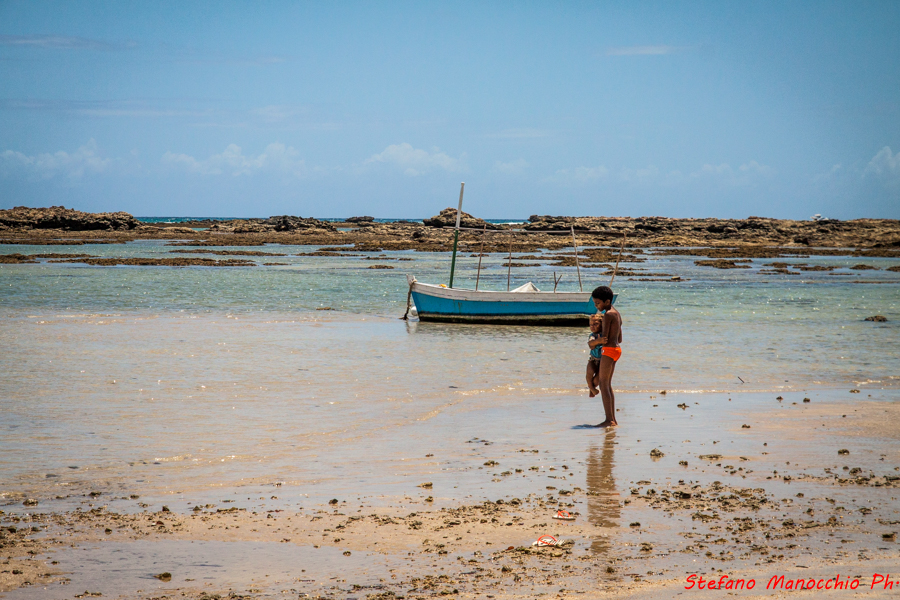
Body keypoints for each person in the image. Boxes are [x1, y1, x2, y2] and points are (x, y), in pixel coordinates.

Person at [591, 285, 622, 427]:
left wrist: (596, 339)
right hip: (616, 349)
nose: (596, 306)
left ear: (607, 301)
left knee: (603, 384)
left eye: (598, 303)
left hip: (608, 350)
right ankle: (612, 419)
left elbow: (604, 338)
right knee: (607, 385)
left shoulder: (608, 315)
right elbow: (619, 338)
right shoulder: (617, 313)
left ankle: (609, 420)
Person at [586, 313, 604, 397]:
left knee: (598, 378)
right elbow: (591, 345)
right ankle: (591, 388)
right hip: (593, 359)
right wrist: (599, 341)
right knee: (589, 374)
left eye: (595, 324)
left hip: (603, 361)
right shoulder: (593, 335)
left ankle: (592, 389)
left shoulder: (604, 334)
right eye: (591, 325)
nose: (592, 326)